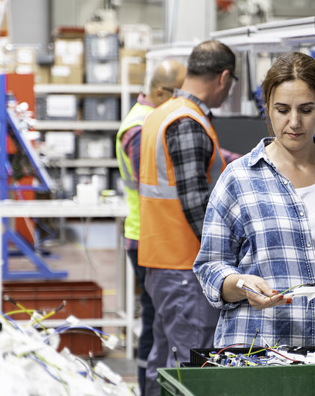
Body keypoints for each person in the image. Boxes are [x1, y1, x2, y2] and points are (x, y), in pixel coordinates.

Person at [193, 51, 315, 348]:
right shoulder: (239, 179)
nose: (294, 122)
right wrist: (242, 285)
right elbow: (211, 266)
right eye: (282, 109)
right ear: (267, 108)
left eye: (306, 109)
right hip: (257, 347)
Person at [138, 40, 236, 396]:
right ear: (224, 78)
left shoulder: (162, 112)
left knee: (164, 363)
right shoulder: (187, 121)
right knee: (191, 370)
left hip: (161, 262)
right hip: (185, 267)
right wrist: (229, 254)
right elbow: (197, 203)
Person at [114, 59, 186, 396]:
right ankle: (147, 389)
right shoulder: (141, 128)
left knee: (155, 323)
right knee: (155, 327)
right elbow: (154, 183)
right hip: (148, 238)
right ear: (161, 92)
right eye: (178, 93)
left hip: (148, 236)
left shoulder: (148, 119)